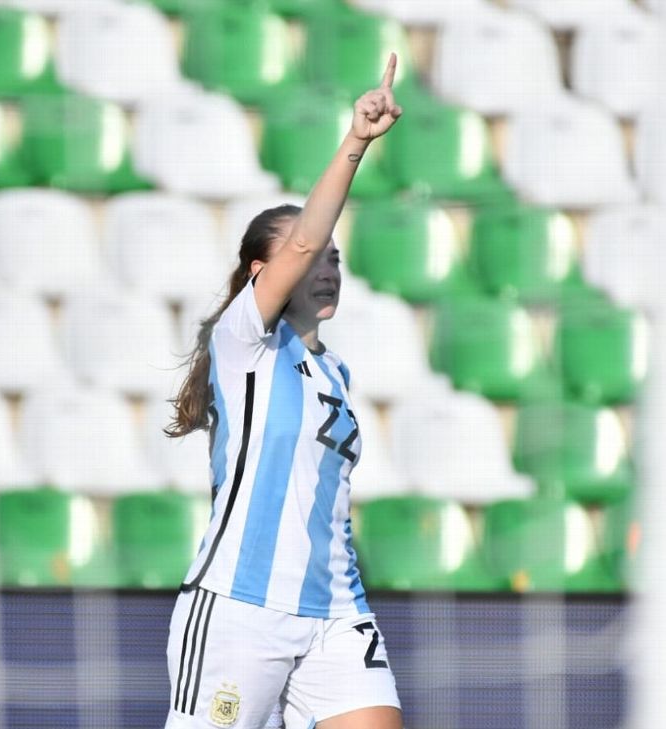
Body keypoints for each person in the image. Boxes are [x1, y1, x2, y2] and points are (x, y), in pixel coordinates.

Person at [162, 55, 405, 729]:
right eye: (314, 255)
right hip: (242, 609)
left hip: (335, 610)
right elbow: (302, 238)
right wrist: (355, 142)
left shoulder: (336, 373)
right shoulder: (245, 343)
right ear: (265, 272)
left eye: (335, 258)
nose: (327, 267)